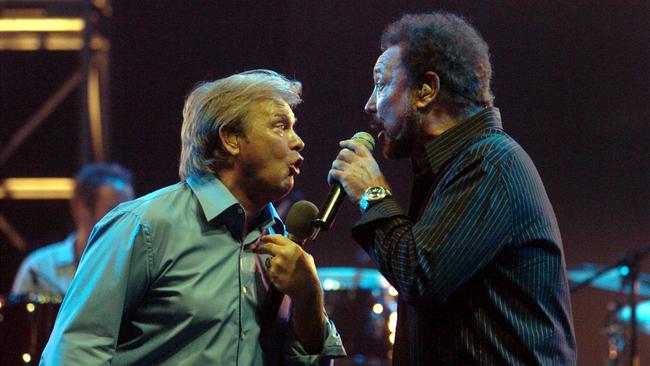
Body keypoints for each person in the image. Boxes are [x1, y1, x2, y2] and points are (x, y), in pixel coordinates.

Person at [41, 70, 346, 365]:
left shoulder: (281, 246)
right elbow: (75, 351)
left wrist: (309, 298)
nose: (298, 141)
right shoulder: (144, 226)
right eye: (280, 126)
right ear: (231, 138)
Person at [329, 13, 577, 365]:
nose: (370, 103)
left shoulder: (490, 163)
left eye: (381, 84)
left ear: (426, 90)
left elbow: (420, 277)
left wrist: (372, 192)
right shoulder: (452, 168)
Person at [11, 163, 135, 297]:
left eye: (131, 212)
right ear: (81, 209)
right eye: (114, 211)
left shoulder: (138, 267)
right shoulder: (38, 269)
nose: (127, 220)